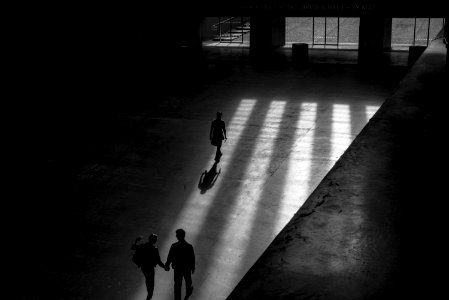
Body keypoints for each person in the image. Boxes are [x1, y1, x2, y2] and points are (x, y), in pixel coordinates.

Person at [131, 234, 165, 300]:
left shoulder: (142, 246)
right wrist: (165, 267)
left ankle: (148, 296)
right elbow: (158, 261)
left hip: (143, 267)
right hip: (150, 268)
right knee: (150, 287)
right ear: (155, 241)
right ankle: (149, 297)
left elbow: (133, 247)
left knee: (148, 283)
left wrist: (136, 241)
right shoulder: (154, 249)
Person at [165, 229, 195, 300]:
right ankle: (188, 293)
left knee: (177, 285)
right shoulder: (189, 246)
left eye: (177, 235)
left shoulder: (174, 246)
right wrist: (192, 267)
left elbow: (170, 256)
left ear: (179, 236)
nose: (176, 236)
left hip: (177, 268)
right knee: (188, 282)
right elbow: (192, 258)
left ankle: (178, 298)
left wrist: (167, 264)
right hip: (186, 268)